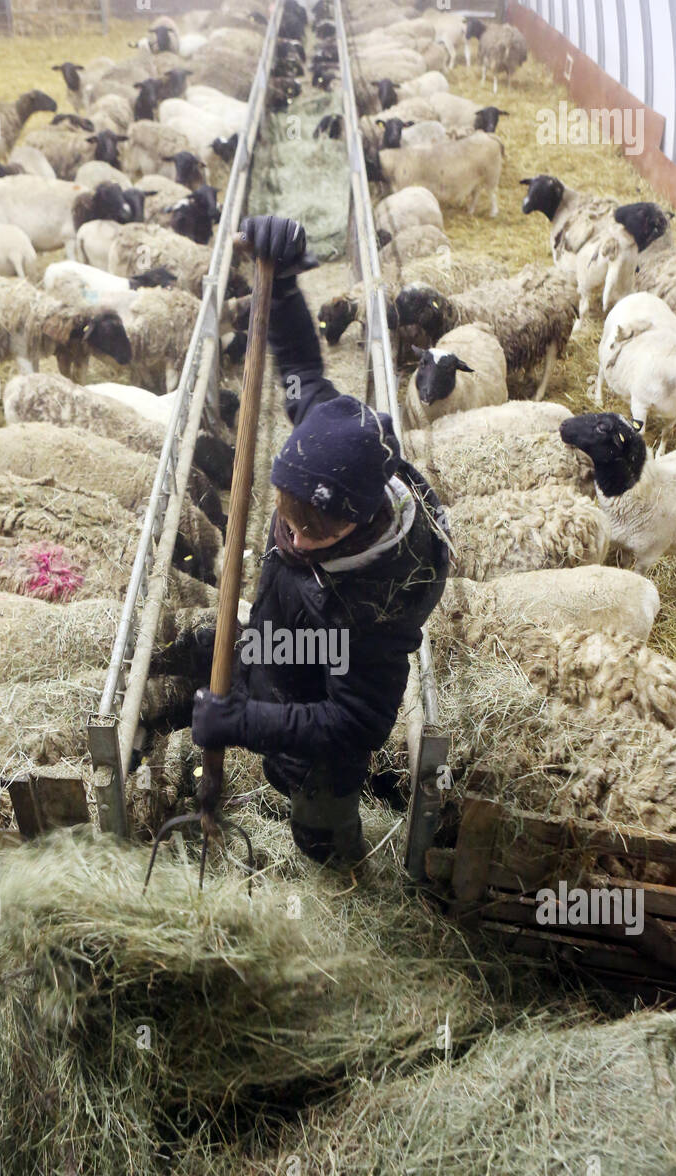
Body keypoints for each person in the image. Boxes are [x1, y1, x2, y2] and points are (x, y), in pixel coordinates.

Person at [191, 214, 450, 865]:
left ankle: (336, 863)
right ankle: (277, 752)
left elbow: (356, 720)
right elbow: (303, 363)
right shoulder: (326, 439)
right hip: (289, 634)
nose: (297, 537)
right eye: (287, 516)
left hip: (330, 689)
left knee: (318, 807)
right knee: (268, 678)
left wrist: (242, 726)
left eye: (319, 528)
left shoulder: (387, 596)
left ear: (362, 517)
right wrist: (280, 288)